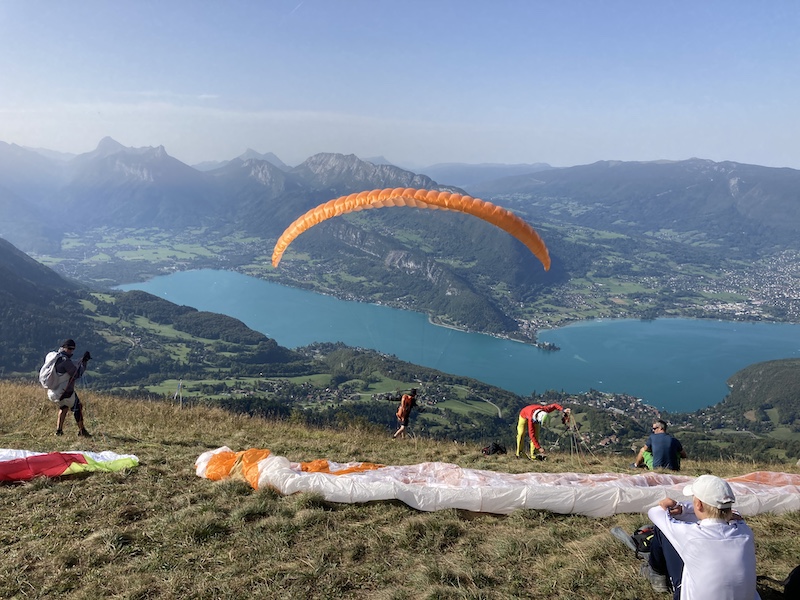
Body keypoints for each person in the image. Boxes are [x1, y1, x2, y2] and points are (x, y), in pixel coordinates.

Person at [643, 474, 760, 599]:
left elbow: (655, 512)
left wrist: (681, 507)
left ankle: (656, 572)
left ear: (698, 504)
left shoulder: (689, 534)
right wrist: (686, 509)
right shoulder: (745, 531)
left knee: (662, 531)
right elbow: (735, 514)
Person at [52, 339, 92, 437]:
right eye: (69, 348)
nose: (71, 351)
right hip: (66, 391)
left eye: (73, 349)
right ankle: (82, 431)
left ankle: (59, 430)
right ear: (64, 347)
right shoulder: (65, 361)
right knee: (77, 407)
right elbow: (77, 374)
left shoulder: (55, 357)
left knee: (64, 407)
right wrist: (84, 363)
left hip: (55, 391)